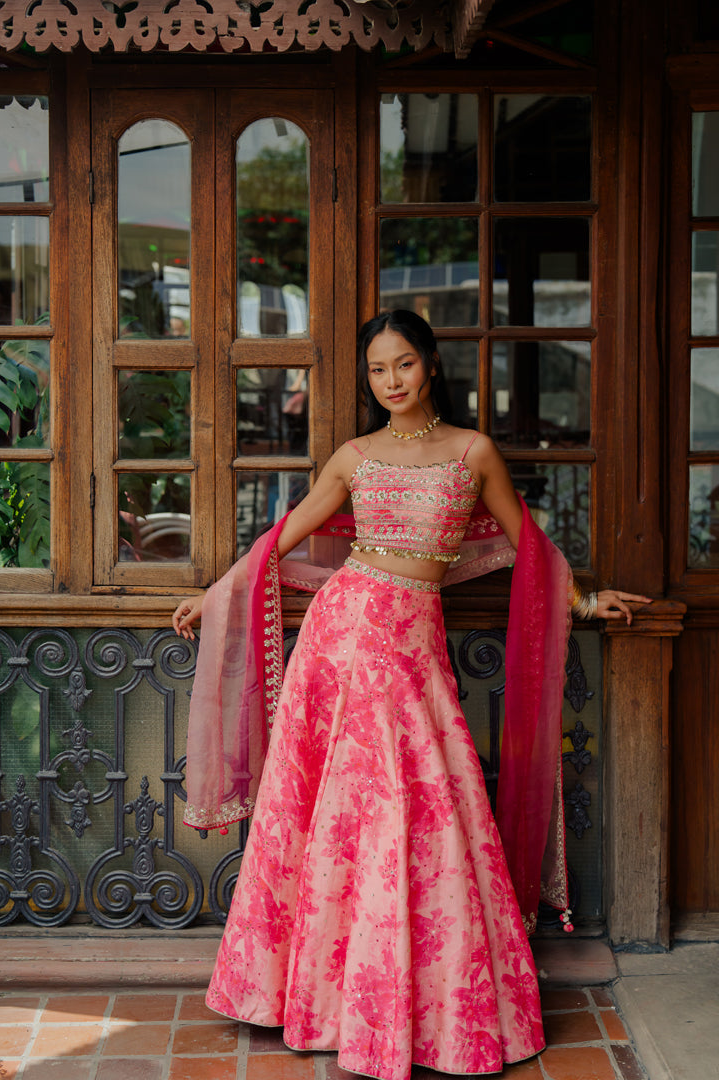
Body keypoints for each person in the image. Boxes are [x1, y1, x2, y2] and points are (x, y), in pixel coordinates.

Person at [172, 309, 650, 1080]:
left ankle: (417, 1006)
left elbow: (528, 547)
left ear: (430, 363)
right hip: (339, 641)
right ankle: (325, 1004)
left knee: (419, 813)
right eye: (376, 370)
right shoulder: (354, 458)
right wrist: (216, 592)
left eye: (402, 365)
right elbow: (287, 533)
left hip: (411, 650)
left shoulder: (473, 452)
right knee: (334, 817)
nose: (390, 382)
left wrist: (588, 601)